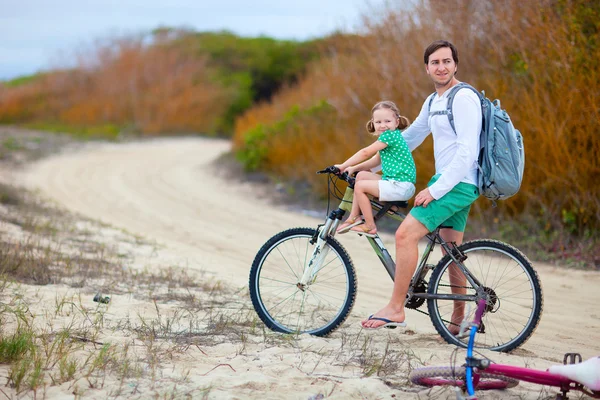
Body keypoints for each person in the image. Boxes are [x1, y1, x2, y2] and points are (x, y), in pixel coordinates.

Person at [361, 40, 482, 331]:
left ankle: (395, 308)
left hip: (457, 182)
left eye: (447, 61)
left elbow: (467, 151)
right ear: (427, 68)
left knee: (405, 235)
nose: (441, 67)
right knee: (451, 250)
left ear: (456, 64)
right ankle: (455, 322)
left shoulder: (464, 98)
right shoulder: (434, 101)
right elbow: (408, 140)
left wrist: (436, 190)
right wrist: (364, 168)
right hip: (452, 181)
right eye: (435, 62)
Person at [334, 101, 416, 237]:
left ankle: (369, 226)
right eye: (378, 122)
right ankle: (355, 217)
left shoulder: (390, 136)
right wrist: (353, 168)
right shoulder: (389, 139)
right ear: (373, 123)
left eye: (387, 121)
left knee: (360, 187)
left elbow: (366, 153)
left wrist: (342, 166)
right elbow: (375, 161)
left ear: (397, 122)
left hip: (400, 186)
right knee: (361, 176)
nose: (383, 125)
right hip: (397, 183)